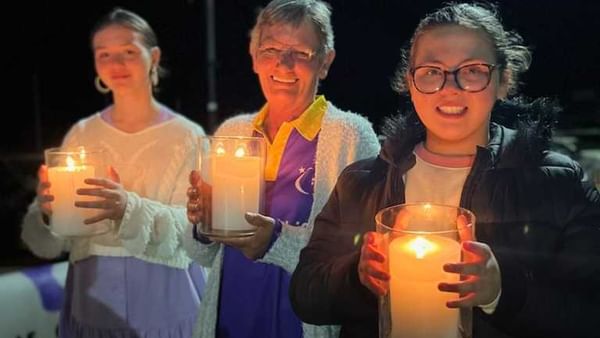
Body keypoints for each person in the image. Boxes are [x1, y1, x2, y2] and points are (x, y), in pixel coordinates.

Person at [290, 2, 600, 338]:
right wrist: (356, 276)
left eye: (472, 70)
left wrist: (503, 292)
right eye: (432, 72)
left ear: (502, 81)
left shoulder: (558, 184)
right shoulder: (362, 182)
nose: (450, 87)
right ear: (410, 83)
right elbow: (306, 294)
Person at [183, 0, 380, 337]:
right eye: (270, 49)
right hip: (231, 318)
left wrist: (275, 241)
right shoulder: (233, 132)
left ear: (325, 62)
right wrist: (202, 225)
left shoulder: (350, 135)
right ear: (254, 56)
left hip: (300, 321)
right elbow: (201, 254)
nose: (283, 64)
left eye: (301, 52)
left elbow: (360, 255)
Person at [21, 8, 206, 338]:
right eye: (104, 54)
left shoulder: (187, 137)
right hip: (93, 302)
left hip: (165, 299)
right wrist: (49, 213)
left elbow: (195, 232)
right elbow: (53, 241)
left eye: (129, 52)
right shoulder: (81, 134)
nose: (116, 64)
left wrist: (128, 209)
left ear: (154, 57)